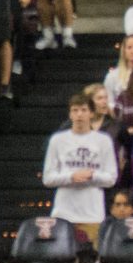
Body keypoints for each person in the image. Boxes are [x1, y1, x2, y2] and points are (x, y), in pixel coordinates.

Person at [41, 93, 118, 242]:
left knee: (91, 258)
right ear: (70, 114)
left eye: (83, 110)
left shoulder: (103, 140)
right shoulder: (58, 140)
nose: (79, 115)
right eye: (75, 110)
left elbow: (111, 178)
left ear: (91, 113)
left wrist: (92, 176)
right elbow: (48, 178)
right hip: (63, 213)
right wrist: (71, 177)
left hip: (93, 213)